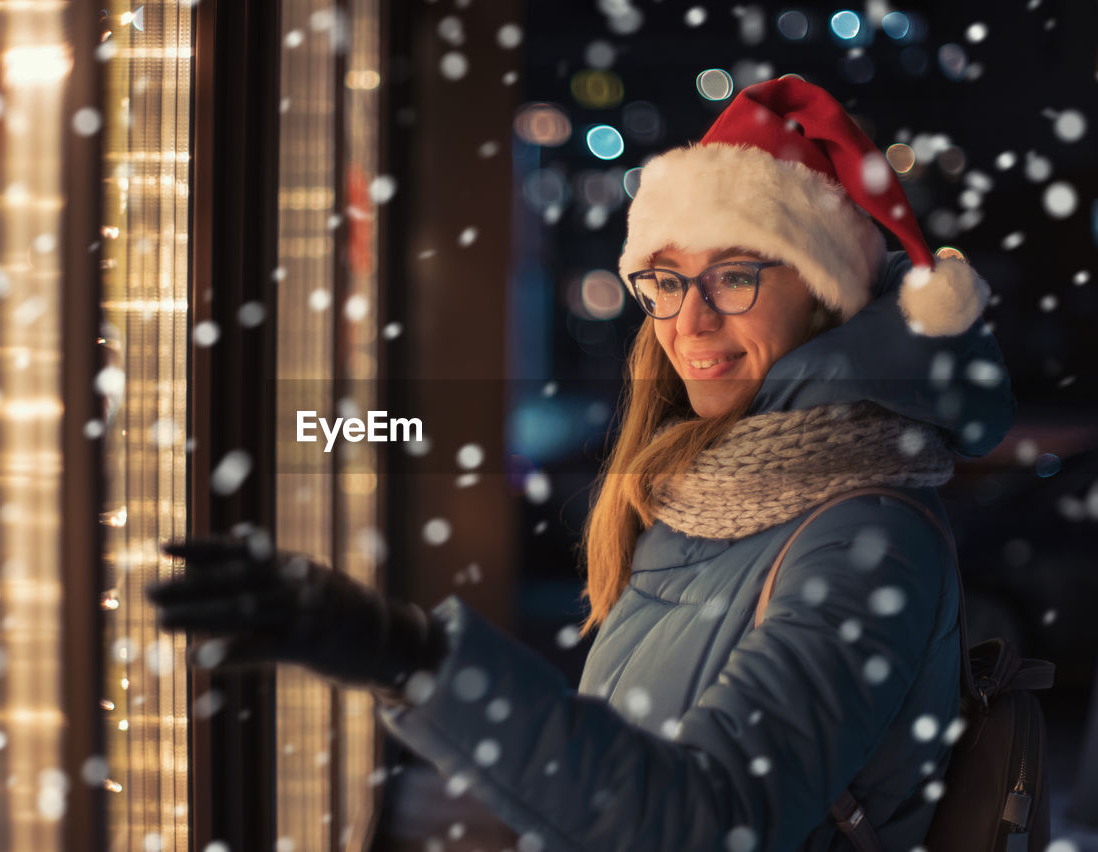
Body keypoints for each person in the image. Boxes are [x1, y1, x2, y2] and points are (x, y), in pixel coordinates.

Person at [149, 77, 1016, 850]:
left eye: (737, 275)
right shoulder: (708, 494)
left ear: (829, 295)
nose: (691, 321)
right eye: (666, 280)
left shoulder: (866, 536)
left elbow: (706, 822)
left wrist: (411, 659)